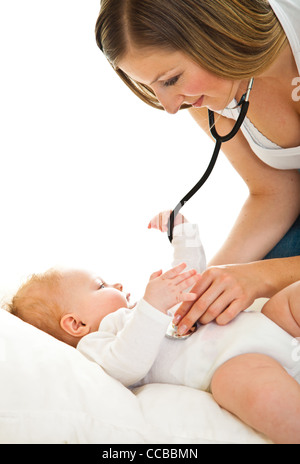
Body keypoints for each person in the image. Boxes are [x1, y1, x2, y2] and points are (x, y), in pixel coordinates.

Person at [95, 0, 300, 335]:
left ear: (216, 33)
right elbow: (275, 191)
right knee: (241, 314)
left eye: (172, 79)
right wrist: (202, 289)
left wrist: (260, 277)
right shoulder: (205, 94)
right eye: (151, 88)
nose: (170, 106)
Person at [6, 212, 300, 444]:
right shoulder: (100, 342)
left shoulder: (142, 311)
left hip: (270, 321)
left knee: (292, 298)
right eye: (101, 285)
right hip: (237, 363)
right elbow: (126, 366)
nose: (118, 284)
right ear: (76, 324)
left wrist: (182, 235)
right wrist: (152, 306)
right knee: (243, 388)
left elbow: (190, 277)